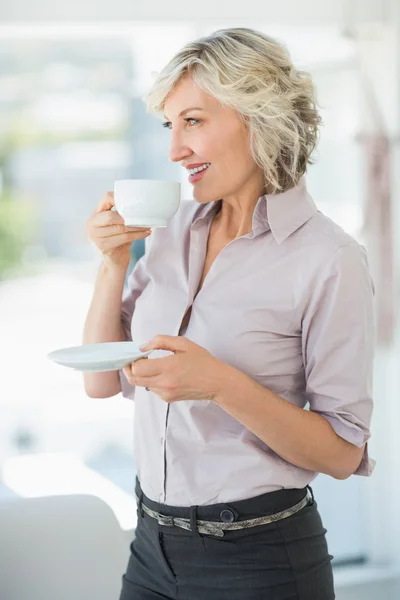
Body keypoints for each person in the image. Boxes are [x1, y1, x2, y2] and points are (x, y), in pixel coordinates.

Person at [83, 27, 375, 600]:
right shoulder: (171, 234)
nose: (174, 150)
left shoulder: (329, 258)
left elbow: (343, 453)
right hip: (151, 546)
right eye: (171, 126)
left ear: (258, 116)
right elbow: (100, 381)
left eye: (193, 121)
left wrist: (220, 384)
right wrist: (112, 262)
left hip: (259, 561)